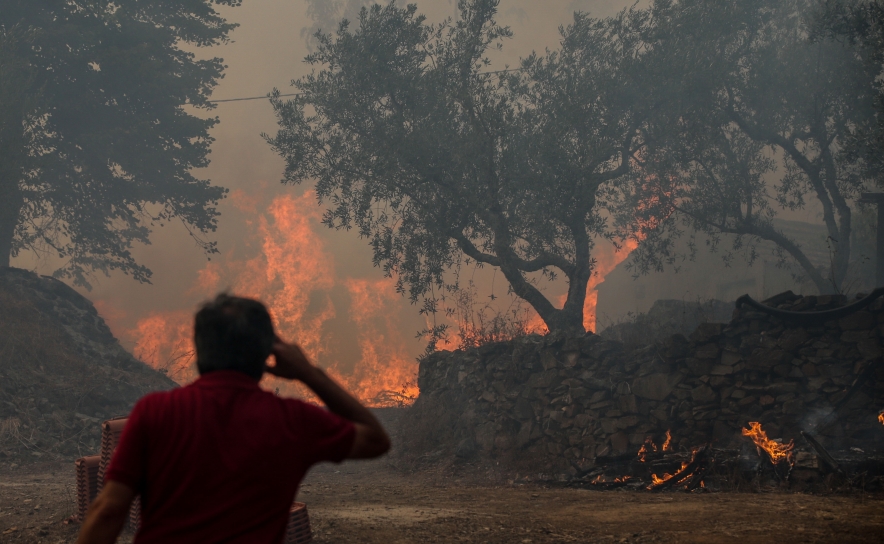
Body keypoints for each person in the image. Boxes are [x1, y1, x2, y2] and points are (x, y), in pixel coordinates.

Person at [76, 294, 390, 544]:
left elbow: (109, 511)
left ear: (198, 350)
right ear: (268, 354)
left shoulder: (154, 412)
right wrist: (308, 372)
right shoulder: (293, 420)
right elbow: (375, 440)